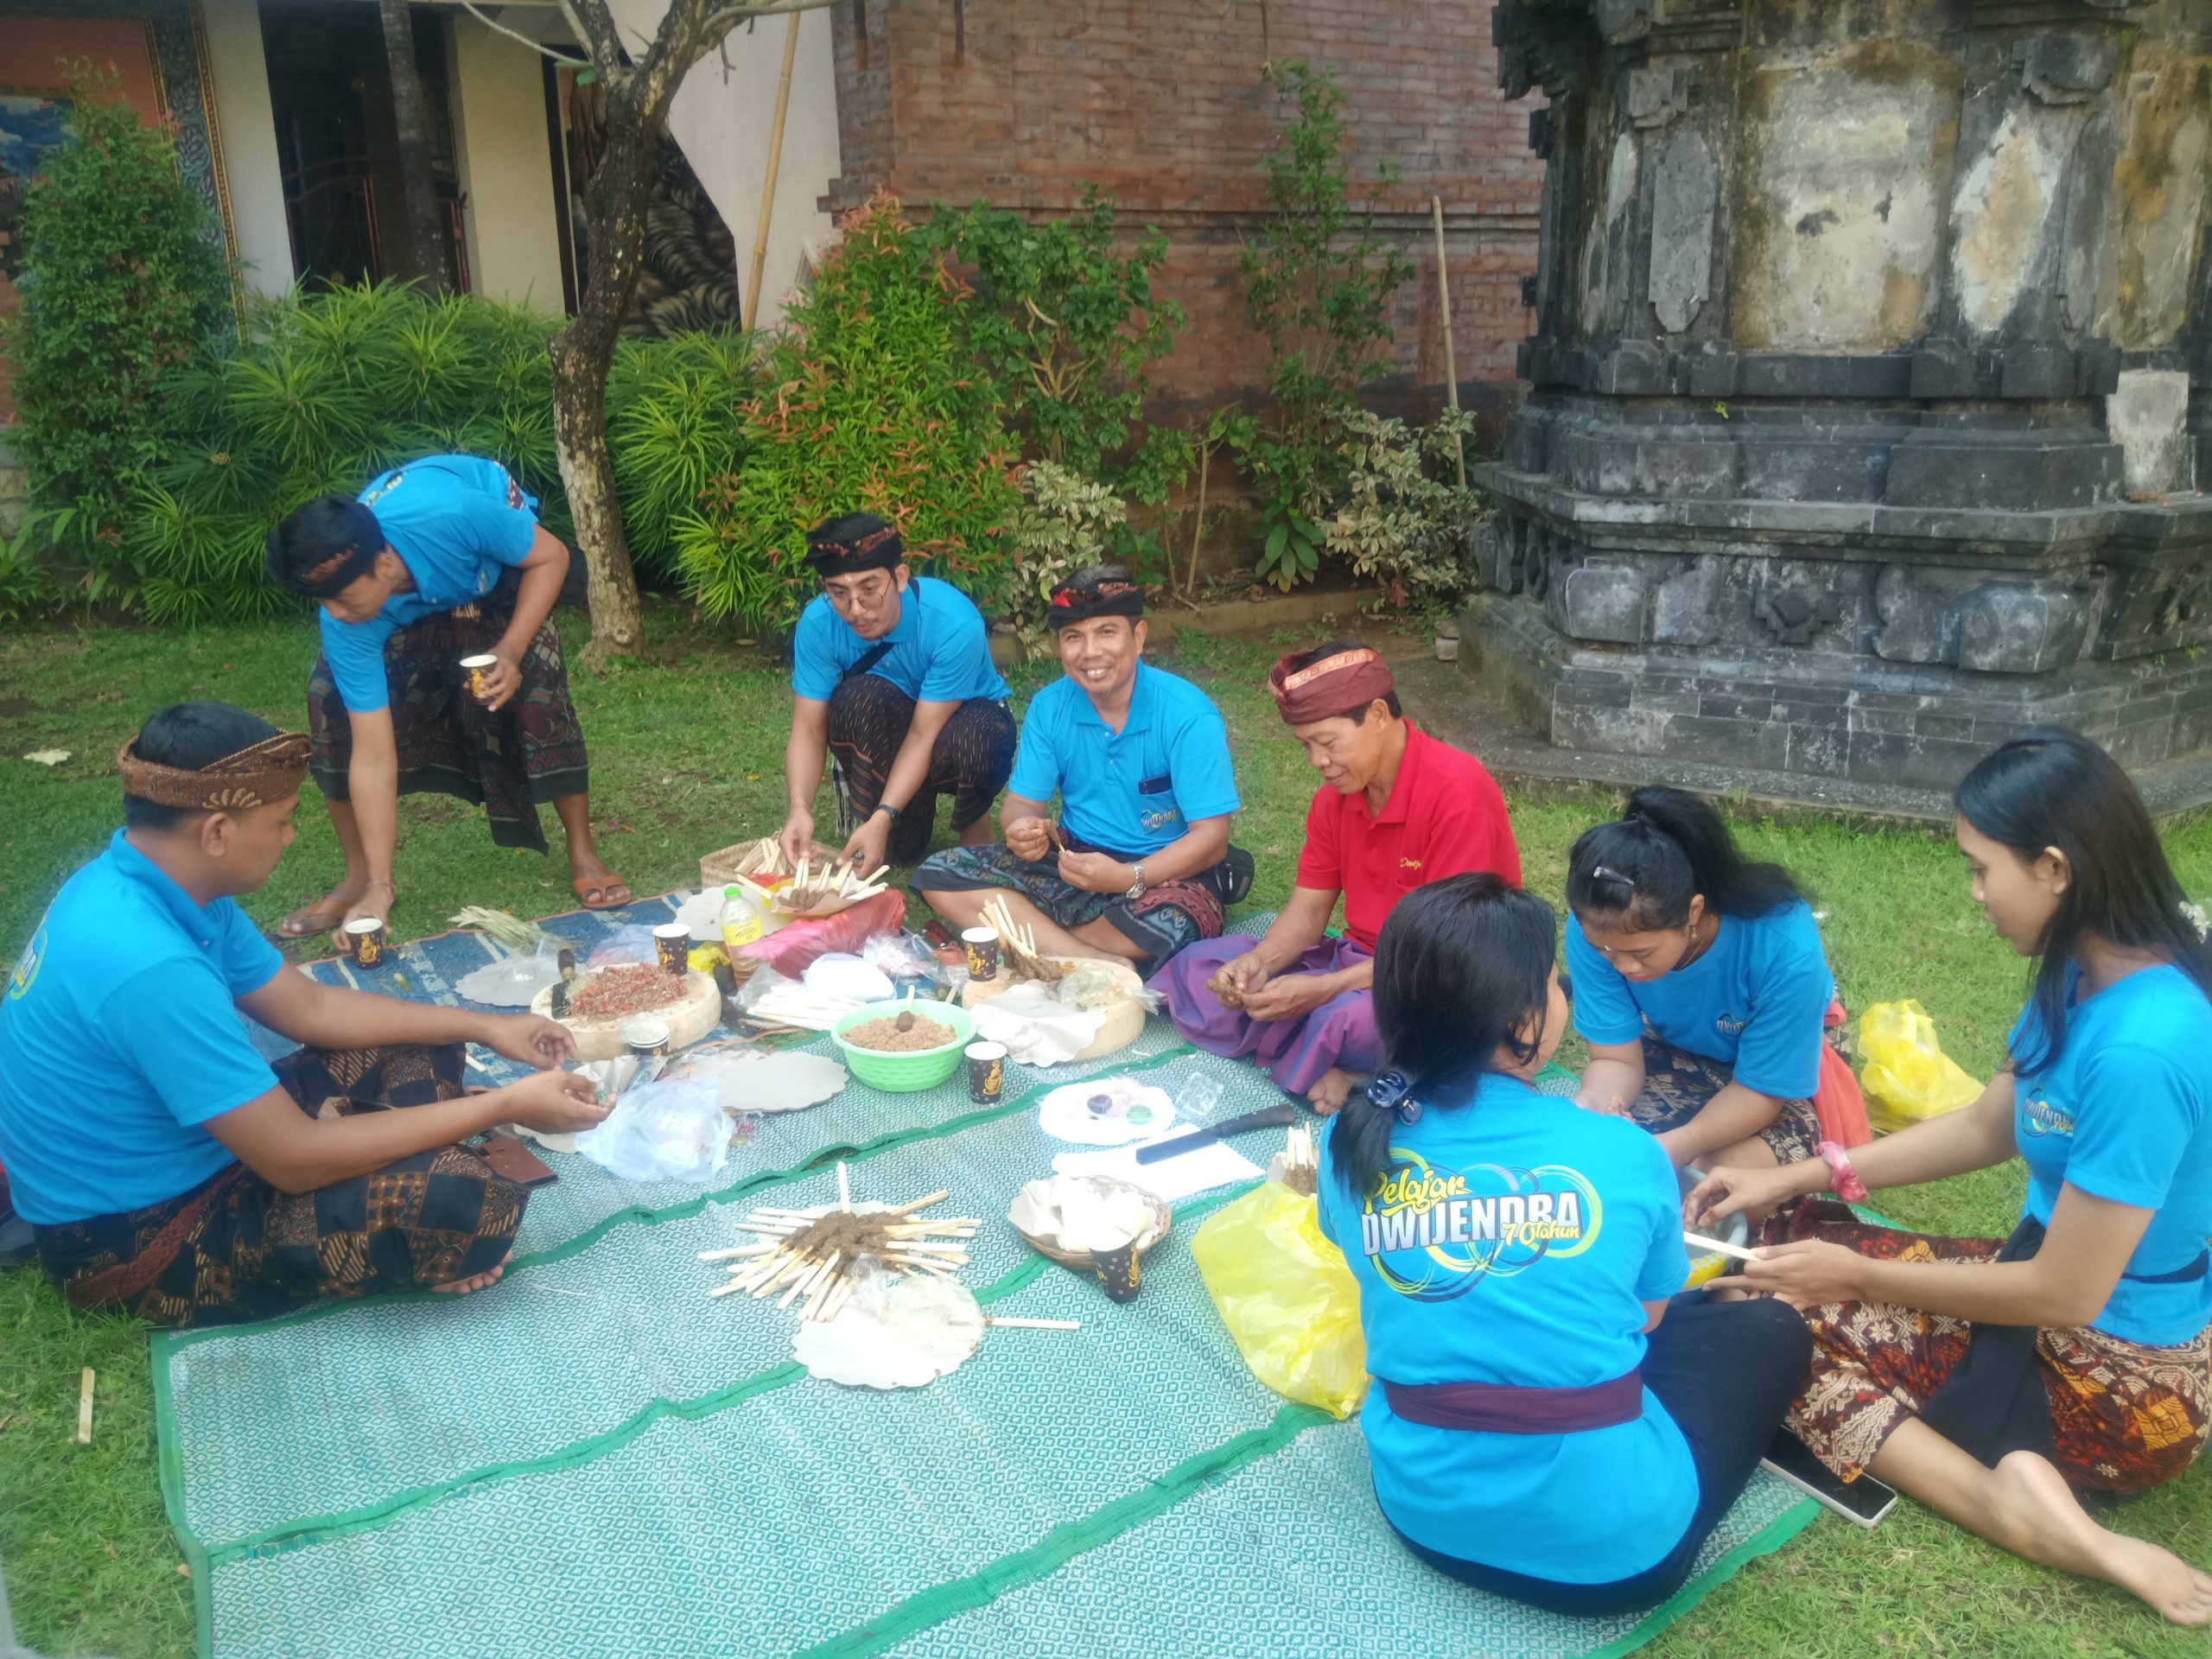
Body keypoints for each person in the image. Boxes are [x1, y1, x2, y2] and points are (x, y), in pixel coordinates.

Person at [1687, 728, 2212, 1624]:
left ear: (2053, 867)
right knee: (1779, 1236)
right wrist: (1796, 1175)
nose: (1972, 895)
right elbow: (1984, 1124)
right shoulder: (2079, 974)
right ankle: (2004, 1466)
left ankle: (2006, 1507)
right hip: (2046, 1291)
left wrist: (1851, 1277)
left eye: (1980, 869)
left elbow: (2065, 1291)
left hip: (2119, 1382)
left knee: (1764, 1328)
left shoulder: (2141, 1049)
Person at [0, 702, 609, 1328]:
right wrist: (504, 1105)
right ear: (216, 832)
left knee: (424, 1047)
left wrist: (484, 1026)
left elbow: (311, 1006)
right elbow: (291, 1158)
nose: (291, 837)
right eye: (283, 820)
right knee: (467, 1200)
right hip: (136, 1242)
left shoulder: (157, 882)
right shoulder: (148, 966)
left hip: (202, 1151)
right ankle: (413, 1210)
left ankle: (395, 1158)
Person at [1319, 872, 1811, 1617]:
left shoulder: (1349, 1139)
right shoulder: (1621, 1151)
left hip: (1425, 1512)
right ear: (1524, 1014)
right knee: (1766, 1329)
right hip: (1616, 1554)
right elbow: (1644, 1321)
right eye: (1556, 980)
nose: (1563, 994)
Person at [263, 454, 629, 944]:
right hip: (414, 593)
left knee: (538, 682)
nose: (333, 612)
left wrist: (511, 652)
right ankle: (362, 878)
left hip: (489, 563)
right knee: (329, 701)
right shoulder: (346, 619)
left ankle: (582, 848)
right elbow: (372, 754)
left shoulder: (456, 513)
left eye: (344, 597)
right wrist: (380, 888)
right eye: (322, 600)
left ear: (385, 562)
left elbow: (553, 557)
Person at [1154, 639, 1521, 1114]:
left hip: (1444, 979)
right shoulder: (1334, 800)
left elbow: (1448, 953)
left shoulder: (1458, 792)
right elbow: (1308, 911)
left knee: (1342, 1017)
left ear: (1376, 717)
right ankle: (1333, 1057)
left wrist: (1324, 988)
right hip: (1361, 961)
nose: (1316, 761)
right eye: (1306, 746)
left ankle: (1348, 1063)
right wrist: (1262, 962)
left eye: (1326, 743)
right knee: (1204, 967)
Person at [913, 564, 1249, 969]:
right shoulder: (1050, 706)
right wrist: (1021, 830)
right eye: (1073, 637)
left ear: (1138, 637)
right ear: (1059, 646)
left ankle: (1029, 937)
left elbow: (1211, 839)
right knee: (939, 873)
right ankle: (1084, 956)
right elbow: (1021, 806)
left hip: (1165, 869)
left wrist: (1130, 877)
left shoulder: (1187, 715)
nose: (1090, 653)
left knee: (1173, 922)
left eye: (1107, 632)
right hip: (1074, 860)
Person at [1566, 787, 1852, 1169]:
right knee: (1609, 1150)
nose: (1622, 967)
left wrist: (1681, 1146)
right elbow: (1617, 1060)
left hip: (1778, 1062)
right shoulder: (1599, 930)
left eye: (1641, 953)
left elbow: (1762, 1091)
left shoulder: (1785, 951)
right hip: (1673, 1041)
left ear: (1693, 911)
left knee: (1716, 1179)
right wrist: (1589, 1112)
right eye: (1606, 951)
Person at [779, 512, 1017, 873]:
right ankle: (891, 823)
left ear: (900, 577)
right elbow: (809, 729)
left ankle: (973, 818)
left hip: (957, 724)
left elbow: (924, 733)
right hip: (890, 727)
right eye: (839, 594)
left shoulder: (954, 624)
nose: (855, 610)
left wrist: (885, 813)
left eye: (870, 590)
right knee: (855, 699)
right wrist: (799, 807)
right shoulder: (818, 623)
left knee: (979, 736)